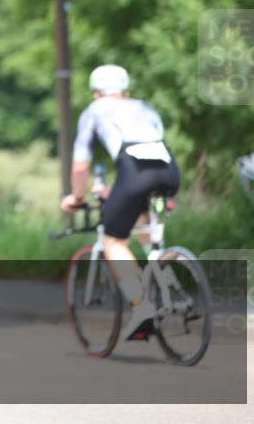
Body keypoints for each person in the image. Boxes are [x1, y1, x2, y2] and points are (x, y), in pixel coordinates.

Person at [60, 64, 180, 342]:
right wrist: (117, 191)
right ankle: (162, 264)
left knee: (114, 240)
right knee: (139, 220)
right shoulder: (145, 107)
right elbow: (147, 157)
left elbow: (80, 165)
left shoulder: (94, 111)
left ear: (95, 93)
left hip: (134, 174)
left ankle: (142, 306)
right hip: (169, 170)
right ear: (125, 92)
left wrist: (76, 198)